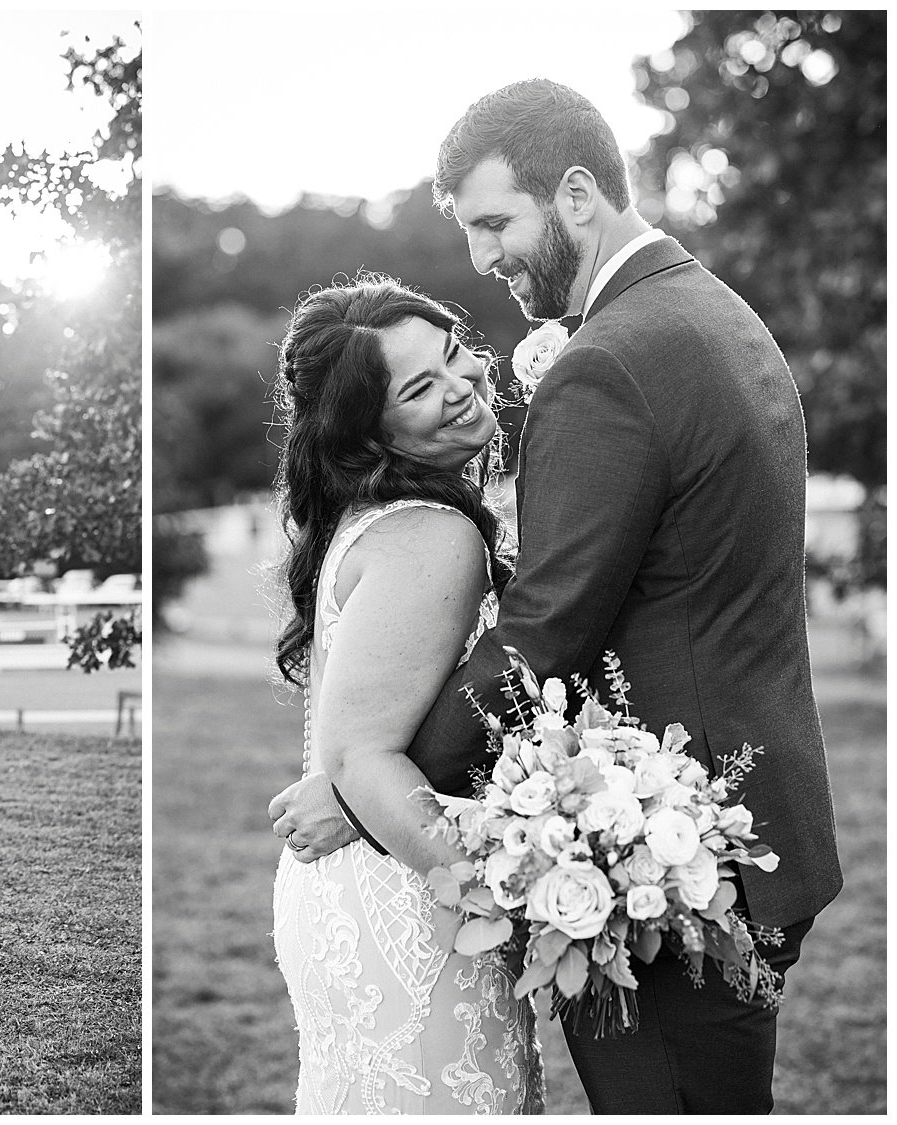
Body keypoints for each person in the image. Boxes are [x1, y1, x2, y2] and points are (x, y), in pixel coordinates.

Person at [272, 79, 842, 1113]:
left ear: (575, 193)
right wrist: (368, 762)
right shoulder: (711, 311)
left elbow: (543, 631)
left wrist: (369, 775)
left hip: (672, 854)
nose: (484, 259)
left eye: (496, 223)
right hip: (750, 826)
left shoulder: (611, 362)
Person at [266, 275, 544, 1114]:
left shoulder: (377, 517)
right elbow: (358, 753)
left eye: (456, 356)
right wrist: (509, 898)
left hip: (361, 874)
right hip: (412, 893)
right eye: (420, 388)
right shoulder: (433, 533)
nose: (461, 387)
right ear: (368, 432)